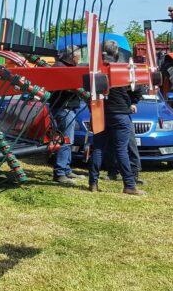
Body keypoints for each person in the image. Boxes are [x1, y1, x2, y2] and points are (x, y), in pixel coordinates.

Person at [88, 40, 145, 195]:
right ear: (116, 52)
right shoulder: (122, 69)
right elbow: (137, 87)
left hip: (100, 112)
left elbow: (88, 93)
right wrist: (133, 102)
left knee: (98, 148)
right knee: (121, 149)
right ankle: (129, 185)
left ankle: (93, 183)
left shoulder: (94, 70)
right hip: (120, 113)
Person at [51, 45, 85, 185]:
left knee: (68, 140)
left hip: (67, 107)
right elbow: (68, 87)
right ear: (72, 57)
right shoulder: (61, 68)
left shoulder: (63, 66)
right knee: (65, 140)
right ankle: (60, 173)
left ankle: (66, 169)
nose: (79, 59)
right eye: (78, 56)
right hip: (63, 108)